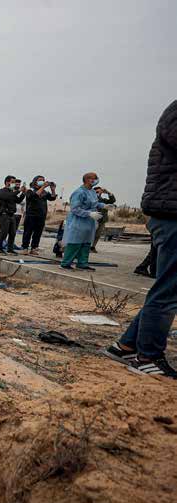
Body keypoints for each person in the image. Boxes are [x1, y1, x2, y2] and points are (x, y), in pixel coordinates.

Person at [105, 100, 176, 379]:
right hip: (171, 214)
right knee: (168, 290)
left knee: (167, 287)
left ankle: (126, 346)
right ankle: (148, 356)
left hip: (167, 212)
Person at [60, 172, 106, 271]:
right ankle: (65, 263)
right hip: (79, 221)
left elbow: (95, 203)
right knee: (75, 242)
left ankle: (82, 263)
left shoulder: (92, 192)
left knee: (86, 243)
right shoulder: (79, 192)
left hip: (90, 222)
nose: (96, 180)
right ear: (88, 179)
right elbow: (75, 209)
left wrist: (104, 206)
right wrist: (88, 213)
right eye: (95, 178)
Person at [20, 175, 57, 255]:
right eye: (40, 180)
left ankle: (34, 248)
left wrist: (53, 189)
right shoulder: (30, 190)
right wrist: (43, 187)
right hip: (31, 215)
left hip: (41, 216)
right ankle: (25, 248)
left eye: (43, 180)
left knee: (38, 233)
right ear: (35, 181)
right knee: (28, 232)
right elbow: (34, 196)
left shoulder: (44, 192)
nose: (42, 181)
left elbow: (52, 198)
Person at [0, 176, 24, 254]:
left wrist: (23, 193)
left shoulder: (12, 192)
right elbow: (8, 196)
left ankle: (10, 249)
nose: (15, 184)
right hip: (4, 214)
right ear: (7, 182)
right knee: (4, 232)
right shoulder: (2, 191)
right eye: (13, 182)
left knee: (12, 233)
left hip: (11, 215)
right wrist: (18, 191)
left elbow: (18, 200)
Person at [90, 187, 117, 252]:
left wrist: (108, 192)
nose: (98, 193)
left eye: (99, 192)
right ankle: (87, 247)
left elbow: (112, 201)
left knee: (98, 235)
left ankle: (93, 247)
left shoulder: (103, 200)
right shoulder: (91, 199)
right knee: (90, 234)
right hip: (93, 219)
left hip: (102, 220)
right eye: (96, 192)